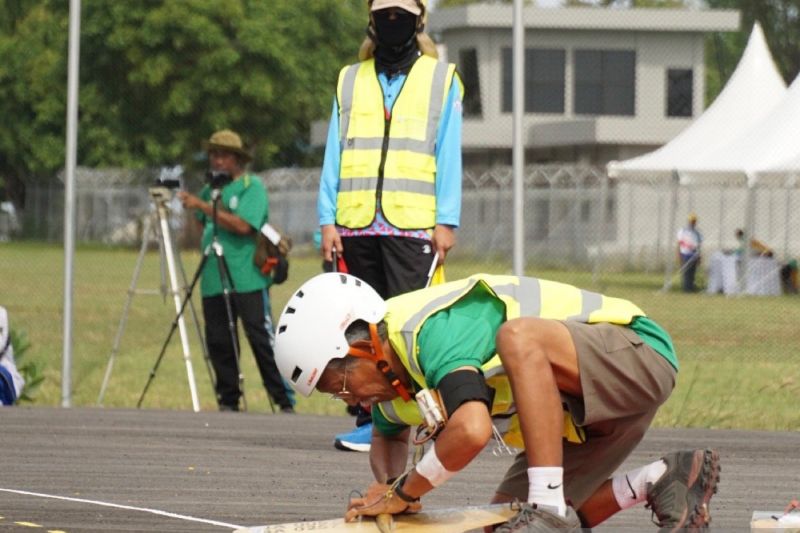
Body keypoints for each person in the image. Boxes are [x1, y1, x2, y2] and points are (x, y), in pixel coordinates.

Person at [274, 272, 720, 531]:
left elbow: (471, 430)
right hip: (589, 417)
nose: (352, 400)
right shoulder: (390, 392)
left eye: (344, 383)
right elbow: (389, 441)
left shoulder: (427, 332)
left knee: (517, 336)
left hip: (636, 355)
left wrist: (403, 490)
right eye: (338, 397)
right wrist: (395, 500)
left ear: (364, 343)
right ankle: (660, 479)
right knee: (499, 526)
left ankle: (546, 504)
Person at [317, 0, 463, 451]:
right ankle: (370, 419)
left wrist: (447, 220)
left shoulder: (442, 79)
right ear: (371, 19)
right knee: (358, 329)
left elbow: (449, 152)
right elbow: (333, 154)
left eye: (400, 13)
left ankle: (416, 418)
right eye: (384, 13)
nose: (391, 21)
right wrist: (327, 218)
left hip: (413, 227)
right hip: (356, 222)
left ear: (419, 19)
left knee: (407, 329)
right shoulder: (349, 78)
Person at [178, 129, 294, 413]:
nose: (216, 160)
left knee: (260, 337)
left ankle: (283, 399)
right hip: (214, 277)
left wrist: (203, 206)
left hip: (247, 277)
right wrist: (201, 207)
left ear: (237, 159)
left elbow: (244, 226)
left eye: (223, 155)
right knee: (219, 339)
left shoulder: (250, 186)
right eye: (213, 154)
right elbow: (199, 227)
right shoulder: (211, 191)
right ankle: (227, 399)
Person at [676, 213, 702, 292]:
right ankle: (686, 288)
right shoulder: (683, 231)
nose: (693, 223)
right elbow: (679, 243)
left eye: (694, 221)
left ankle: (690, 287)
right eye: (691, 221)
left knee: (692, 273)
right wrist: (679, 254)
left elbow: (698, 245)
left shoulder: (697, 233)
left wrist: (699, 256)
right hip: (685, 254)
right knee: (686, 272)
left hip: (694, 255)